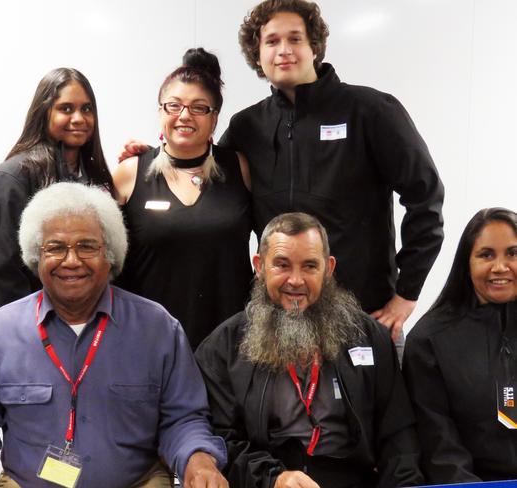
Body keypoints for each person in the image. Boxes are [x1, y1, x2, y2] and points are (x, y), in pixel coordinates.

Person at [120, 0, 444, 342]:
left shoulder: (371, 111)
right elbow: (203, 167)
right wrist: (151, 158)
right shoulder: (248, 128)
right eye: (272, 41)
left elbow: (426, 198)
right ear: (256, 53)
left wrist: (406, 295)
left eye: (295, 39)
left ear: (314, 46)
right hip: (276, 325)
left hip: (360, 319)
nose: (284, 51)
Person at [0, 183, 227, 488]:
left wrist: (198, 461)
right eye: (55, 247)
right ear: (36, 256)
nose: (71, 261)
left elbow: (183, 420)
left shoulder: (158, 329)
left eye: (87, 246)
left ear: (109, 253)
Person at [195, 212, 424, 488]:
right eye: (282, 265)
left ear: (328, 268)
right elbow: (221, 440)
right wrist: (272, 478)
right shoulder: (224, 348)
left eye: (309, 266)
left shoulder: (368, 336)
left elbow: (398, 435)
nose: (295, 280)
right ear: (259, 266)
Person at [113, 48, 252, 349]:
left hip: (230, 346)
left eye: (199, 108)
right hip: (147, 343)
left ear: (214, 119)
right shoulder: (129, 174)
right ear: (160, 112)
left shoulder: (240, 168)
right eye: (173, 106)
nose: (184, 115)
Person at [0, 67, 115, 310]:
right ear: (44, 113)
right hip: (38, 326)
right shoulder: (14, 175)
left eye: (86, 108)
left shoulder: (96, 175)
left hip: (94, 321)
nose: (78, 118)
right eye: (66, 108)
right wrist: (30, 325)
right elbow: (0, 268)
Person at [403, 207, 517, 483]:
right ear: (466, 262)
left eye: (512, 253)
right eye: (486, 255)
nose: (500, 267)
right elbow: (438, 442)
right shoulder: (428, 340)